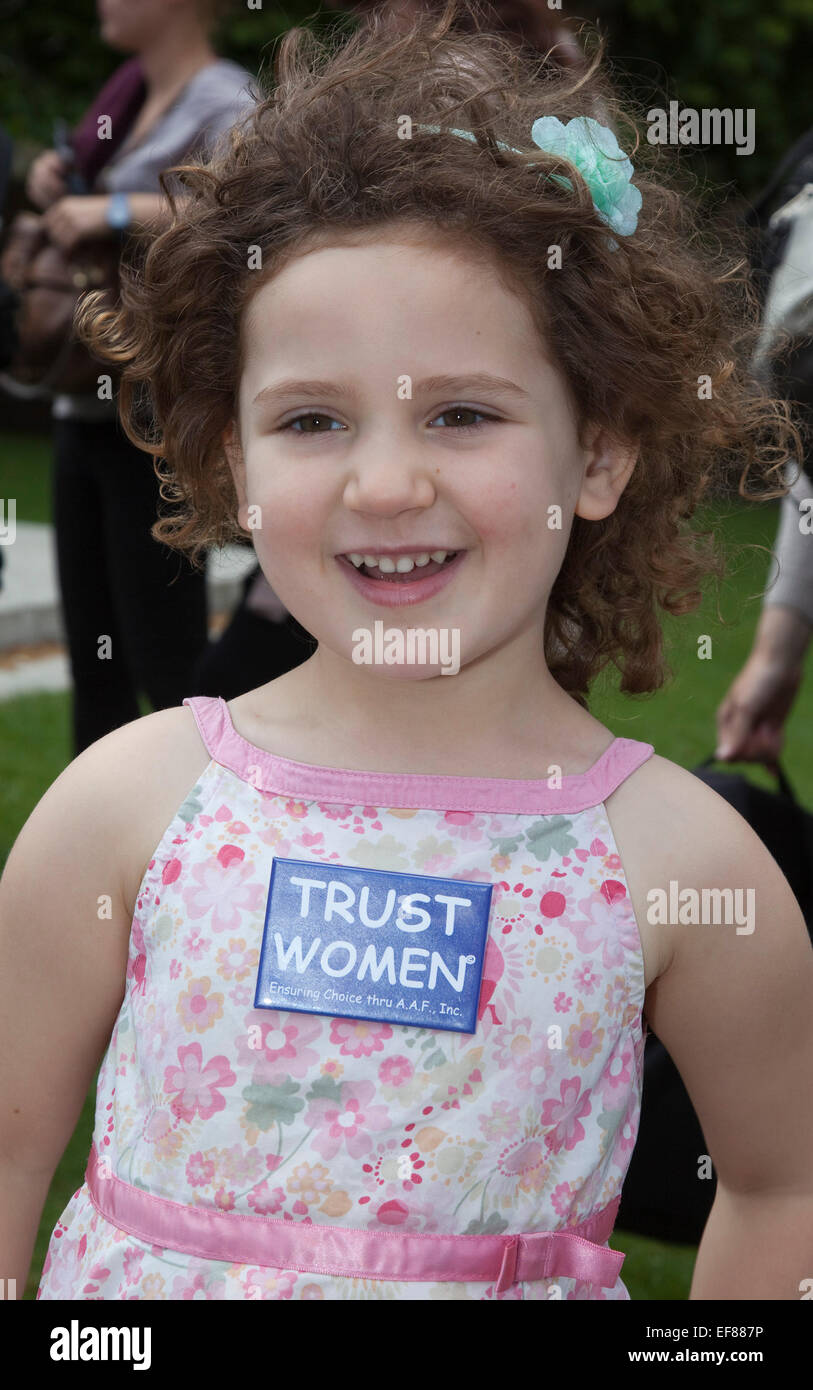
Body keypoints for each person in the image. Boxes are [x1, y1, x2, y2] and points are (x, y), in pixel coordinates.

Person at [2, 0, 812, 1302]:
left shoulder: (683, 864)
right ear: (233, 457)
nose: (385, 482)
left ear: (597, 449)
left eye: (461, 412)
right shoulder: (124, 811)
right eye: (314, 417)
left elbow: (784, 1183)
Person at [24, 0, 258, 753]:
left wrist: (113, 207)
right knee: (96, 664)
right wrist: (55, 181)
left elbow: (248, 212)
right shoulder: (122, 98)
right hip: (85, 404)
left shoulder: (225, 99)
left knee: (166, 664)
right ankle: (95, 844)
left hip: (152, 415)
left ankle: (195, 838)